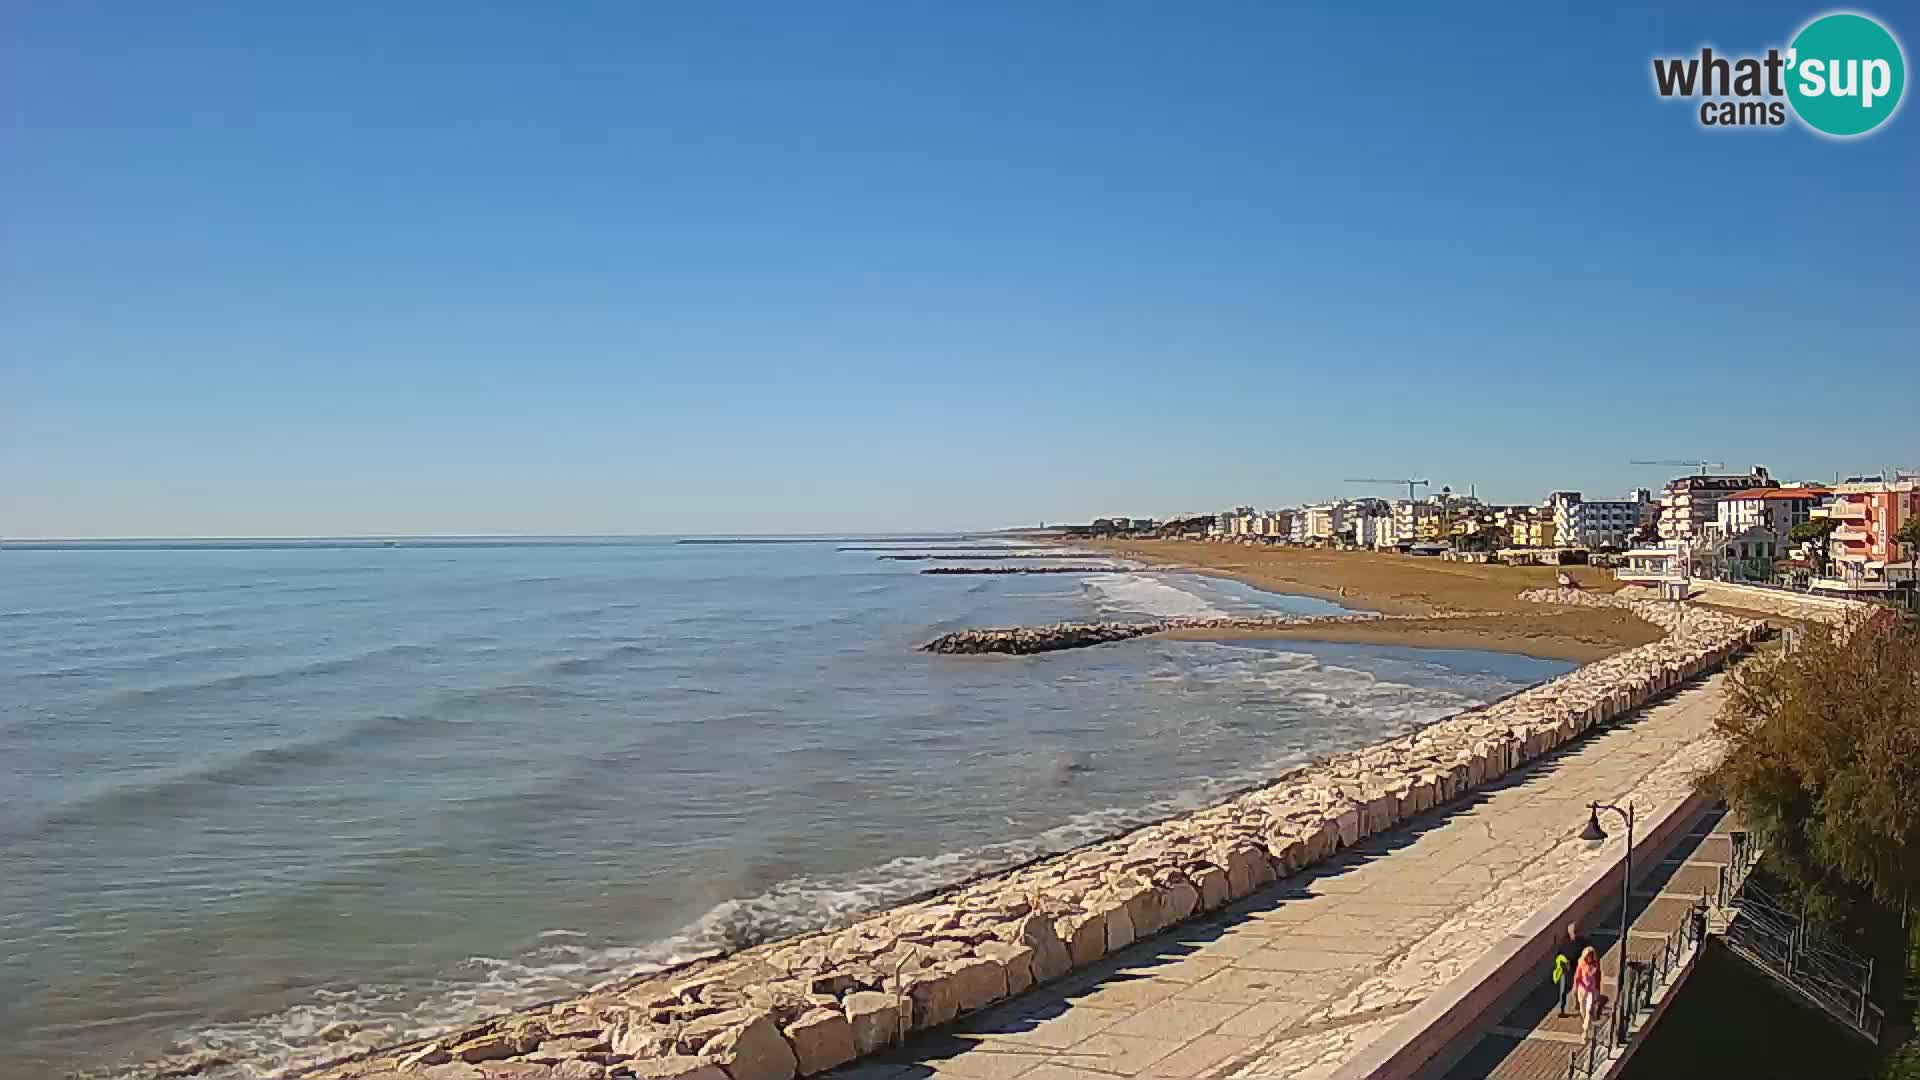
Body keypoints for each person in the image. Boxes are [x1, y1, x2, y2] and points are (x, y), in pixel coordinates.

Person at [1552, 923, 1588, 1017]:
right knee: (1563, 990)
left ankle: (1579, 1005)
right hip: (1566, 969)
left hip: (1578, 968)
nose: (1575, 934)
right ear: (1569, 932)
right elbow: (1559, 955)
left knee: (1578, 989)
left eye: (1576, 932)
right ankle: (1562, 1010)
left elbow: (1587, 953)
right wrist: (1563, 962)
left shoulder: (1582, 942)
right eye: (1573, 932)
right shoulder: (1564, 942)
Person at [1573, 945, 1601, 1035]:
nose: (1589, 958)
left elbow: (1598, 978)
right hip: (1582, 990)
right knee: (1583, 1009)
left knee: (1589, 1009)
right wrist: (1575, 988)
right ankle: (1587, 1023)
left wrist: (1598, 990)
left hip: (1591, 991)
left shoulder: (1596, 965)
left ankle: (1585, 1030)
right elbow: (1577, 977)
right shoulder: (1581, 964)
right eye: (1588, 956)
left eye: (1591, 956)